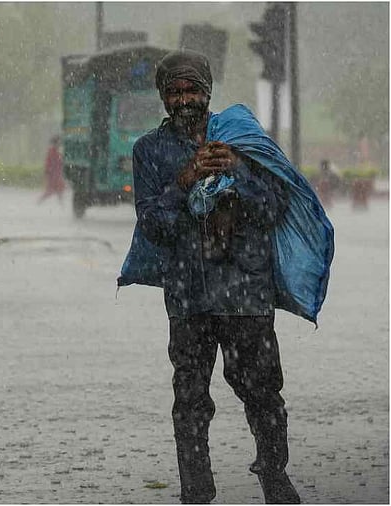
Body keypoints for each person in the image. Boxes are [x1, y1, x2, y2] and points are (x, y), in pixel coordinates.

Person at [129, 50, 300, 504]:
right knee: (190, 399)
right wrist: (184, 182)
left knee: (262, 392)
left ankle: (275, 477)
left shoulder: (241, 139)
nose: (184, 100)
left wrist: (238, 173)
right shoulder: (149, 151)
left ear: (208, 91)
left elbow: (272, 208)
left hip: (246, 293)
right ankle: (197, 490)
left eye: (192, 90)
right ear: (163, 96)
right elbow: (152, 225)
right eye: (174, 91)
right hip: (189, 296)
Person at [38, 135, 66, 204]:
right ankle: (39, 203)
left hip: (56, 175)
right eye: (58, 143)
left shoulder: (56, 152)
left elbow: (59, 163)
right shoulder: (52, 152)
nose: (59, 145)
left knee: (59, 191)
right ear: (55, 143)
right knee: (50, 191)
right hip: (52, 175)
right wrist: (48, 172)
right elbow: (49, 163)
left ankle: (61, 206)